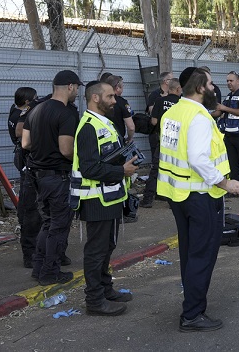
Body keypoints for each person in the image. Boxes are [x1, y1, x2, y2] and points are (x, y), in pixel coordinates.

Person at [157, 68, 239, 332]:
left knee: (189, 254)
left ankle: (192, 306)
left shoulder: (172, 112)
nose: (213, 87)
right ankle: (193, 314)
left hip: (179, 195)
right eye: (209, 83)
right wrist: (225, 182)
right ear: (199, 87)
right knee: (201, 255)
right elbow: (197, 158)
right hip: (200, 196)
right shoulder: (198, 116)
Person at [71, 81, 138, 315]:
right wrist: (122, 171)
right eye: (110, 96)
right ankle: (94, 301)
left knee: (107, 246)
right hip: (95, 200)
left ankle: (105, 289)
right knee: (96, 251)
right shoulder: (88, 126)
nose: (114, 100)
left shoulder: (105, 122)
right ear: (96, 98)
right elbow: (89, 169)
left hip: (110, 197)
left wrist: (126, 162)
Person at [22, 70, 82, 285]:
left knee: (47, 223)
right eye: (77, 88)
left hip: (37, 175)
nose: (77, 92)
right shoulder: (66, 113)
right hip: (58, 176)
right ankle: (50, 272)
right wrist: (85, 160)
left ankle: (39, 267)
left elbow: (25, 143)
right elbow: (66, 149)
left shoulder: (36, 109)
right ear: (70, 86)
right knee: (58, 226)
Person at [8, 87, 39, 268]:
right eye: (34, 99)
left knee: (27, 198)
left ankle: (23, 216)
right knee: (29, 204)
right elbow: (21, 134)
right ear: (27, 102)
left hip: (22, 157)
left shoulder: (14, 111)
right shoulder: (19, 116)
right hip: (25, 158)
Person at [141, 78, 182, 208]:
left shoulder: (160, 101)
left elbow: (153, 121)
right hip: (178, 142)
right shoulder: (182, 103)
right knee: (175, 170)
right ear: (177, 89)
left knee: (156, 169)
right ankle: (174, 199)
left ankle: (148, 199)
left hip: (164, 140)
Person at [214, 71, 239, 201]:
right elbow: (219, 112)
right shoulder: (228, 97)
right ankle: (234, 189)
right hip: (229, 135)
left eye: (231, 81)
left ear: (238, 81)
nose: (228, 83)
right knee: (232, 165)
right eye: (227, 81)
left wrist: (224, 108)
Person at [105, 75, 135, 143]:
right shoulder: (122, 102)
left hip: (102, 139)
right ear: (117, 88)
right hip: (117, 140)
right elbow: (131, 127)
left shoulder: (101, 101)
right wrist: (129, 138)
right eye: (123, 86)